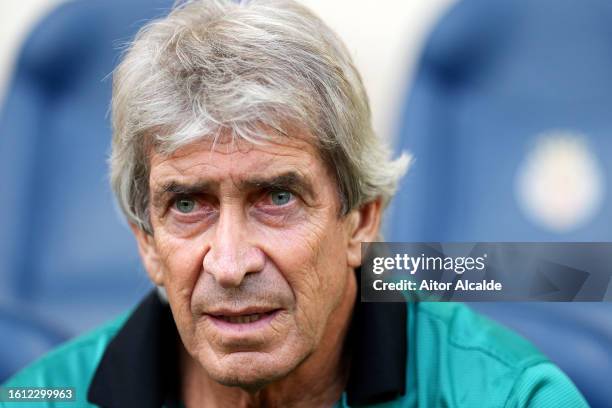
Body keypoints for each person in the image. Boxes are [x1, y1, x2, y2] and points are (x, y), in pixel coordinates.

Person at [1, 0, 588, 407]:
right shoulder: (43, 397)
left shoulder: (514, 397)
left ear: (362, 218)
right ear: (145, 242)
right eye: (187, 205)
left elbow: (580, 278)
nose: (229, 265)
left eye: (276, 197)